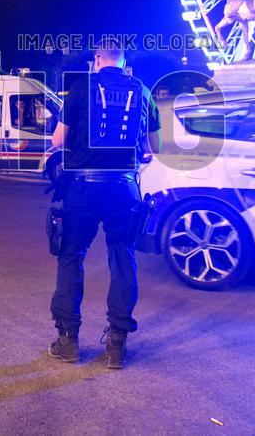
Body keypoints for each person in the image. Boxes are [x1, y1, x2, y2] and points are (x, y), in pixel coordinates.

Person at [47, 41, 161, 370]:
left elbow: (58, 140)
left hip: (83, 188)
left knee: (71, 257)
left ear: (97, 59)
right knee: (122, 258)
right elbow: (154, 147)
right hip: (124, 189)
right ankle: (117, 345)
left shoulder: (81, 88)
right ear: (123, 61)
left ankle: (68, 341)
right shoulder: (142, 90)